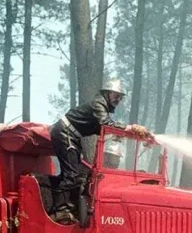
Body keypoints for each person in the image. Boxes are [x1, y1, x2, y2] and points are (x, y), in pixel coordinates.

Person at [48, 77, 149, 224]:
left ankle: (72, 208)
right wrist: (128, 128)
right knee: (71, 174)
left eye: (121, 97)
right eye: (116, 95)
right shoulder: (98, 104)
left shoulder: (101, 106)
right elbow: (105, 123)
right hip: (65, 133)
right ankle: (60, 212)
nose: (118, 99)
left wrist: (116, 133)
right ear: (107, 93)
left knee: (77, 175)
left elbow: (100, 127)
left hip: (71, 135)